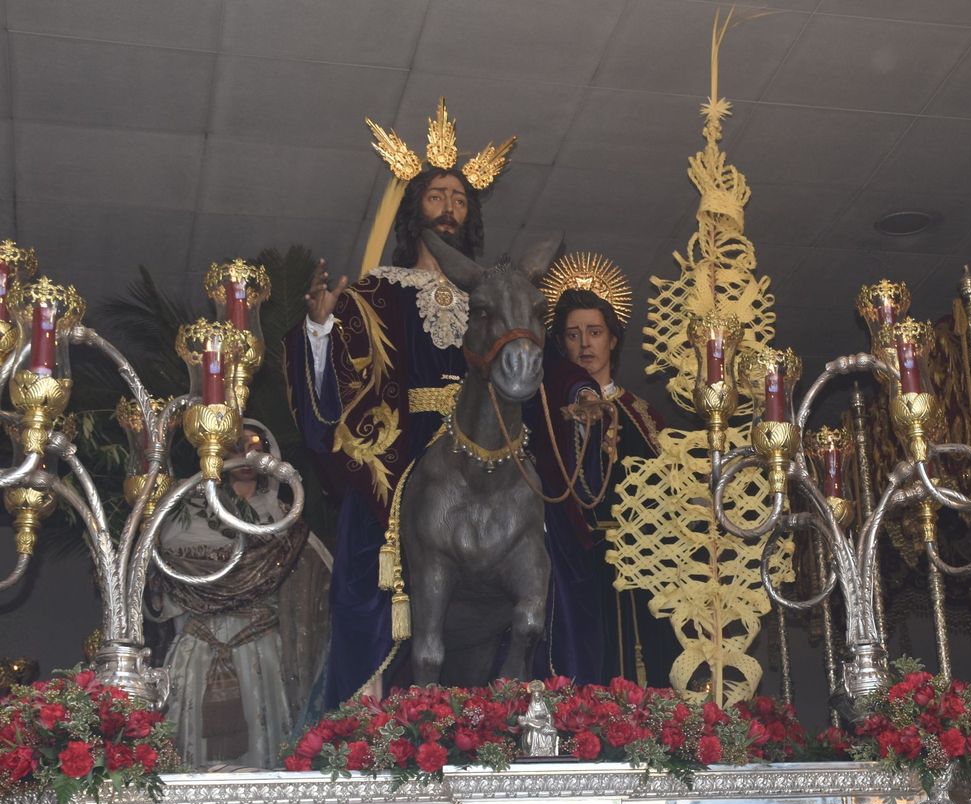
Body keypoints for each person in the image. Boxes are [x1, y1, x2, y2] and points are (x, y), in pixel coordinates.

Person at [284, 102, 605, 706]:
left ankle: (559, 692)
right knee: (364, 539)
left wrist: (582, 395)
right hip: (405, 443)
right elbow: (347, 379)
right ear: (416, 212)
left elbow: (541, 359)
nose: (450, 207)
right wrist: (321, 331)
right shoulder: (381, 290)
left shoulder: (497, 291)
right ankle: (369, 704)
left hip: (498, 437)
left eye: (460, 199)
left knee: (560, 535)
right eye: (437, 197)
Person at [152, 427, 329, 766]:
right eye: (236, 445)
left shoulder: (281, 516)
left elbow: (313, 577)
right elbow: (163, 579)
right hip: (200, 647)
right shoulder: (183, 516)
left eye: (255, 446)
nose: (246, 454)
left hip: (261, 649)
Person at [542, 255, 678, 686]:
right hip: (578, 563)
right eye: (573, 334)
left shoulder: (645, 417)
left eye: (595, 332)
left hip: (642, 566)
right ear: (561, 344)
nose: (585, 344)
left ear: (613, 339)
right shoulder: (550, 416)